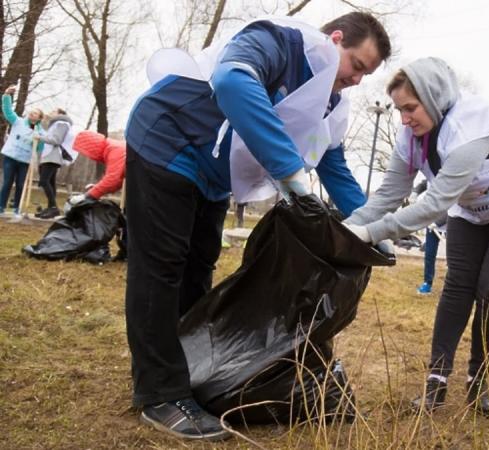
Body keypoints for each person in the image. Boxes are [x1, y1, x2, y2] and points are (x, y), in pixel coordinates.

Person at [124, 13, 391, 441]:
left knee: (197, 269)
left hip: (212, 175)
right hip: (170, 141)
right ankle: (160, 394)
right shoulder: (278, 42)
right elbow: (232, 82)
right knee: (161, 270)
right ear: (335, 39)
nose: (358, 80)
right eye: (357, 65)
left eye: (367, 74)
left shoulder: (331, 101)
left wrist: (377, 225)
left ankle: (187, 373)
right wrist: (291, 174)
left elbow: (333, 164)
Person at [343, 57, 489, 416]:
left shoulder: (472, 126)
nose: (404, 119)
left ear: (434, 97)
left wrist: (370, 233)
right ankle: (436, 381)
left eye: (410, 108)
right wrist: (349, 225)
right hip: (472, 212)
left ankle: (478, 378)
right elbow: (389, 194)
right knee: (458, 285)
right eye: (398, 110)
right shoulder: (411, 136)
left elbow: (435, 202)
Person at [0, 86, 43, 217]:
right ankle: (1, 206)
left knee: (20, 184)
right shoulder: (18, 121)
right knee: (7, 182)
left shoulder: (39, 132)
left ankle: (16, 208)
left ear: (39, 118)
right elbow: (7, 111)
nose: (32, 113)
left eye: (35, 113)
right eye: (32, 111)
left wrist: (39, 140)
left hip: (24, 161)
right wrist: (7, 95)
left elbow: (39, 149)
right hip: (11, 156)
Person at [63, 130, 126, 208]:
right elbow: (118, 182)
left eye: (86, 152)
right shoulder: (112, 148)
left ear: (92, 148)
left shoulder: (114, 149)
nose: (89, 157)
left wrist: (87, 196)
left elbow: (112, 179)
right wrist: (96, 188)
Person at [409, 179, 446, 295]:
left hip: (451, 223)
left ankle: (452, 286)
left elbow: (453, 205)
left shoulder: (451, 179)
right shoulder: (432, 176)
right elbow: (423, 184)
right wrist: (415, 193)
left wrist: (438, 223)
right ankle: (427, 283)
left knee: (453, 258)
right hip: (432, 224)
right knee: (429, 255)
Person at [33, 108, 73, 218]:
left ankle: (54, 208)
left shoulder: (61, 123)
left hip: (53, 156)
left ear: (60, 114)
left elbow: (56, 140)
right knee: (50, 182)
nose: (50, 112)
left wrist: (40, 137)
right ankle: (51, 207)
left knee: (44, 181)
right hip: (49, 155)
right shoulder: (56, 124)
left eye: (53, 111)